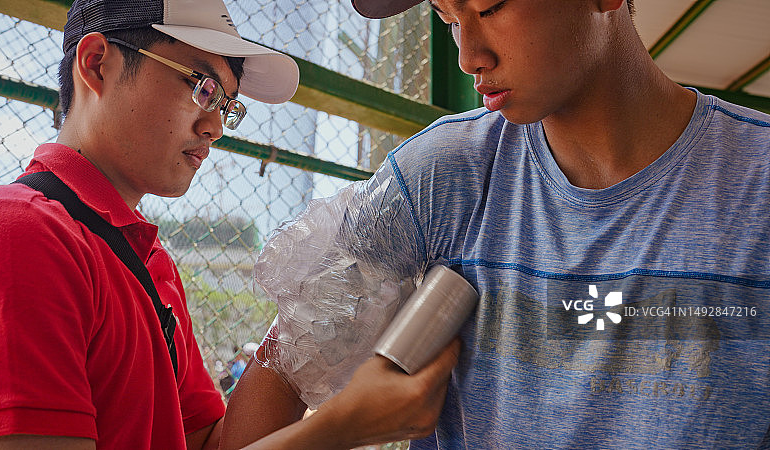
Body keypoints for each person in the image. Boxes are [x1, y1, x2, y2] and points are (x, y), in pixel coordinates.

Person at [224, 0, 770, 447]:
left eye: (490, 6)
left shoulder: (756, 180)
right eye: (449, 18)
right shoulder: (444, 175)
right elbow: (286, 362)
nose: (467, 55)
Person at [0, 0, 460, 448]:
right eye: (201, 88)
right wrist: (341, 426)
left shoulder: (146, 260)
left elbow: (213, 443)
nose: (215, 127)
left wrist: (307, 321)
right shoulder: (17, 233)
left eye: (228, 105)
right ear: (97, 63)